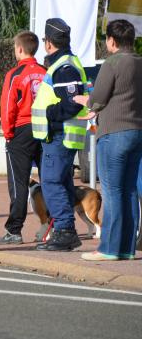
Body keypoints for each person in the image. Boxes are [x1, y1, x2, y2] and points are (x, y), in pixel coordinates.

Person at [73, 19, 142, 260]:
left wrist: (85, 102)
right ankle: (127, 248)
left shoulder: (112, 63)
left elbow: (98, 97)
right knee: (129, 190)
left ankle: (109, 249)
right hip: (137, 133)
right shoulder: (140, 62)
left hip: (113, 133)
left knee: (112, 191)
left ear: (111, 41)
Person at [31, 18, 89, 251]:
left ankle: (65, 230)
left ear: (48, 43)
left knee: (52, 182)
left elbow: (72, 103)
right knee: (61, 182)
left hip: (60, 136)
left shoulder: (64, 68)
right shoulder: (64, 64)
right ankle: (66, 232)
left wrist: (50, 113)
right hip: (58, 136)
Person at [0, 31, 47, 244]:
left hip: (21, 130)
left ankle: (14, 231)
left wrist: (8, 135)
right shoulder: (46, 72)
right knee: (50, 180)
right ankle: (55, 225)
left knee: (19, 183)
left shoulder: (15, 74)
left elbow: (8, 107)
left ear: (19, 49)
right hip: (44, 128)